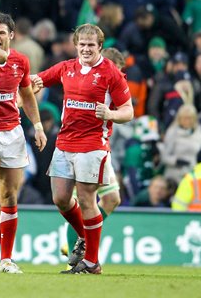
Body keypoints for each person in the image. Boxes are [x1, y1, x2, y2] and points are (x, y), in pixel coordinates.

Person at [31, 23, 134, 274]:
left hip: (92, 144)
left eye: (91, 45)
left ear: (100, 46)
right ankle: (86, 239)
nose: (86, 49)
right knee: (61, 199)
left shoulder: (111, 73)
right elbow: (40, 78)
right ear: (76, 45)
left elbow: (128, 111)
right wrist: (32, 83)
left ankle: (91, 261)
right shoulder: (67, 68)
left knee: (88, 200)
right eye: (82, 44)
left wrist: (110, 113)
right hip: (65, 142)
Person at [0, 13, 47, 274]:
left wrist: (37, 126)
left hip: (12, 133)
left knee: (9, 197)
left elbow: (26, 94)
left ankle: (6, 259)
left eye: (1, 32)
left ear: (11, 35)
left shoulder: (20, 61)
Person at [61, 47, 126, 263]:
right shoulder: (86, 79)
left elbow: (124, 111)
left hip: (100, 146)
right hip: (84, 145)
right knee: (84, 200)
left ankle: (82, 239)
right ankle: (77, 247)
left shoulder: (115, 82)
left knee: (112, 198)